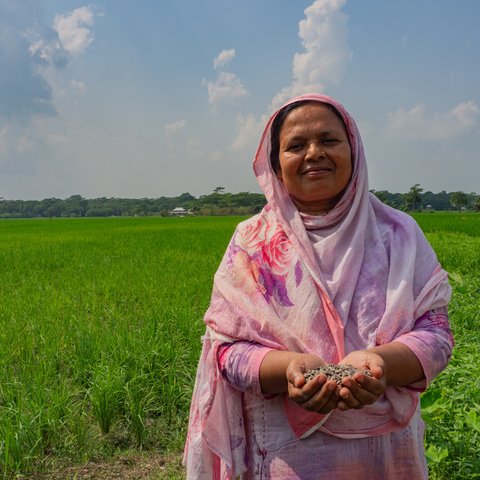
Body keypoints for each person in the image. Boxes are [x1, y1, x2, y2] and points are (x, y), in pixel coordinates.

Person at [183, 94, 453, 479]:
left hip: (387, 458)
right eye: (295, 145)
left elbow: (437, 333)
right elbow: (225, 353)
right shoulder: (252, 243)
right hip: (284, 458)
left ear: (353, 149)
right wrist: (289, 370)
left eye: (328, 140)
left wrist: (380, 366)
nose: (314, 153)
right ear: (275, 163)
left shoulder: (398, 234)